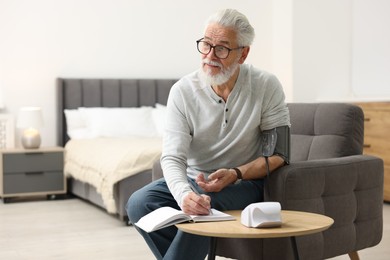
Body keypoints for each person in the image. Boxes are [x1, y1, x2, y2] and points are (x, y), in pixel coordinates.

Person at [126, 9, 290, 260]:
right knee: (139, 203)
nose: (210, 56)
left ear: (243, 53)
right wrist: (183, 195)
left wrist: (236, 173)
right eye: (206, 45)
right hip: (195, 179)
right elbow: (172, 157)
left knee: (206, 203)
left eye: (222, 48)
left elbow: (279, 154)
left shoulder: (266, 85)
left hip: (244, 182)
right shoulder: (182, 91)